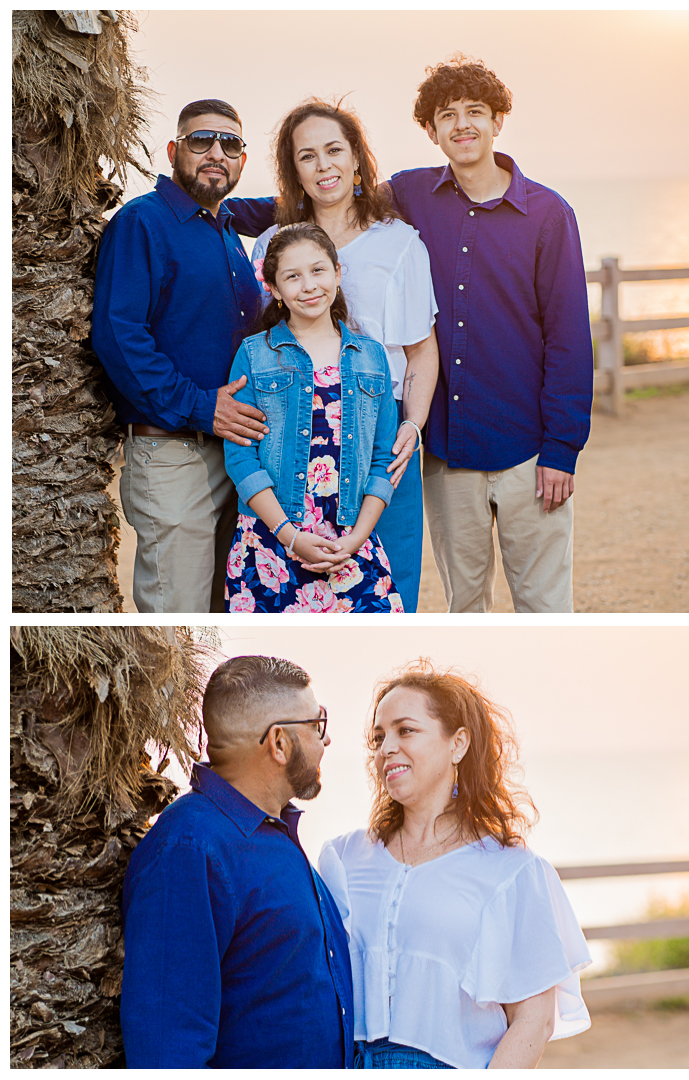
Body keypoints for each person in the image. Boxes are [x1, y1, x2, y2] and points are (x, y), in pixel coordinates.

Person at [387, 58, 595, 613]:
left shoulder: (549, 215)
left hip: (530, 451)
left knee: (544, 608)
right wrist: (226, 212)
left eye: (474, 111)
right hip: (449, 453)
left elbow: (570, 339)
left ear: (498, 120)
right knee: (466, 609)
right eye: (446, 115)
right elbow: (329, 198)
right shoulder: (409, 196)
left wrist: (562, 451)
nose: (461, 125)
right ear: (430, 131)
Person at [318, 660, 591, 1069]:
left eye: (405, 730)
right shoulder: (343, 857)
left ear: (457, 743)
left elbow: (533, 1021)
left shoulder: (511, 872)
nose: (386, 747)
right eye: (379, 737)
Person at [249, 99, 439, 613]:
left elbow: (422, 351)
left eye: (334, 150)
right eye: (307, 156)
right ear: (294, 170)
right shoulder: (268, 246)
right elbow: (261, 345)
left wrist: (413, 427)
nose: (323, 165)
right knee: (285, 593)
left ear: (357, 159)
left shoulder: (400, 244)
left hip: (380, 436)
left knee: (387, 594)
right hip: (286, 435)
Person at [120, 654, 354, 1068]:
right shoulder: (189, 849)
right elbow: (169, 1053)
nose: (326, 740)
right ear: (279, 742)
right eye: (317, 725)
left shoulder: (274, 837)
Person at [92, 99, 275, 613]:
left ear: (242, 160)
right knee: (178, 620)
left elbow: (288, 204)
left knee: (225, 613)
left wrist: (354, 188)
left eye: (231, 144)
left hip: (236, 455)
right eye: (201, 141)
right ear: (174, 150)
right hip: (175, 454)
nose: (216, 152)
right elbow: (118, 336)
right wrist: (201, 406)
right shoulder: (143, 223)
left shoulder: (226, 223)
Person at [223, 222, 404, 613]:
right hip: (270, 544)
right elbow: (241, 458)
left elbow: (382, 459)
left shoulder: (372, 357)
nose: (309, 286)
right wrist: (289, 536)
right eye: (292, 276)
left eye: (318, 270)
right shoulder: (254, 355)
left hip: (352, 545)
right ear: (273, 288)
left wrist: (357, 540)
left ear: (338, 274)